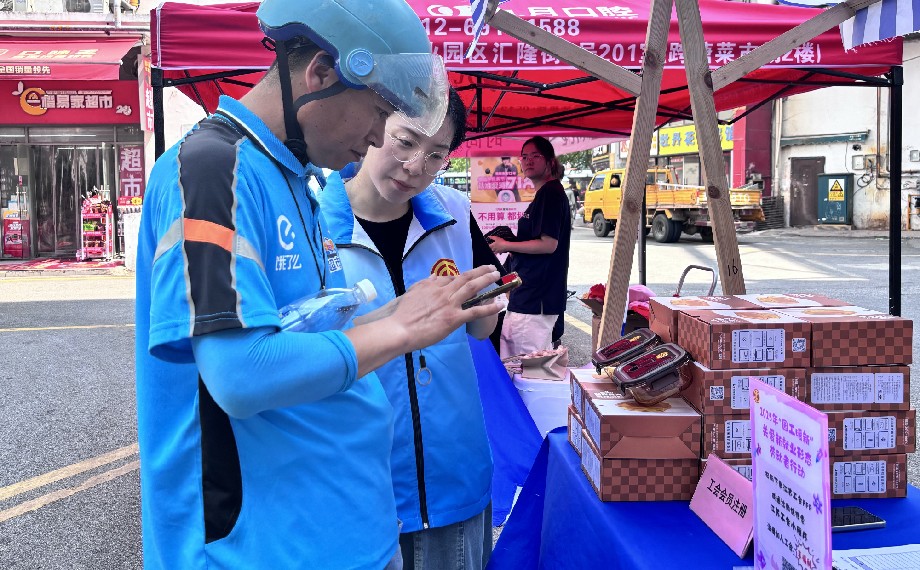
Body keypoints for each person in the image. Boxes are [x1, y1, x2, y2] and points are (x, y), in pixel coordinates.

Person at [133, 1, 501, 568]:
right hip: (258, 549)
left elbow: (307, 334)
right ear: (322, 73)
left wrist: (405, 312)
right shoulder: (213, 169)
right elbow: (240, 373)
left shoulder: (294, 179)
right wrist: (401, 329)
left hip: (337, 536)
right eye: (379, 111)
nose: (377, 137)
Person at [319, 87, 500, 570]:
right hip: (359, 481)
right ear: (373, 126)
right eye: (405, 141)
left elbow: (482, 329)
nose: (416, 166)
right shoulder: (313, 224)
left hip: (453, 472)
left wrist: (487, 303)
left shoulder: (453, 212)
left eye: (437, 154)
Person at [488, 136, 571, 358]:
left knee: (523, 363)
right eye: (524, 157)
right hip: (529, 294)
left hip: (536, 297)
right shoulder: (544, 194)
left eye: (535, 156)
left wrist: (506, 244)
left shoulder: (551, 193)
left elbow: (549, 244)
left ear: (550, 161)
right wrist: (511, 243)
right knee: (523, 360)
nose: (528, 161)